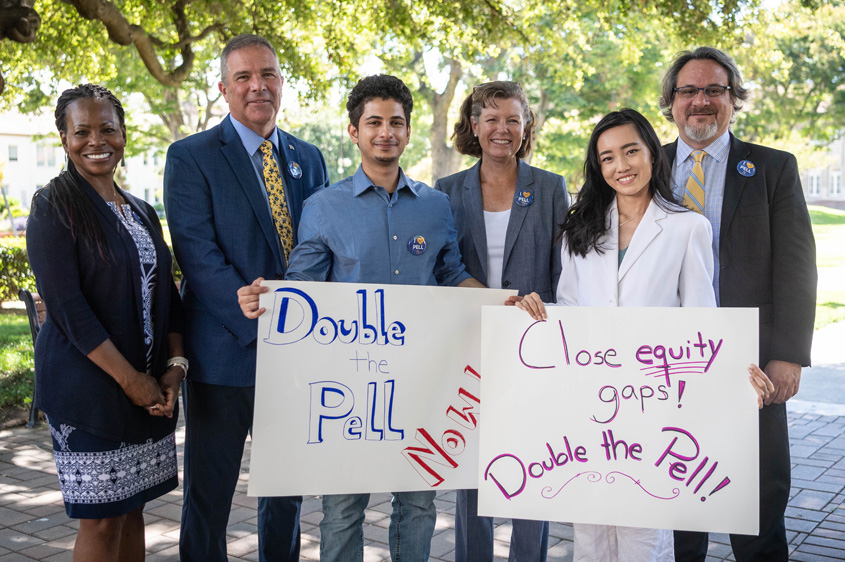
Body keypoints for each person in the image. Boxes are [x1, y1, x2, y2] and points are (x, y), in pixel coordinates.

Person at [237, 74, 484, 562]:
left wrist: (502, 303)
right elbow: (302, 286)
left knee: (417, 505)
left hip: (420, 382)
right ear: (354, 132)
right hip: (346, 391)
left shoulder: (436, 207)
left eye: (396, 122)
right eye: (374, 122)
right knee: (343, 510)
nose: (385, 132)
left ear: (409, 131)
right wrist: (266, 299)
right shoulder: (323, 207)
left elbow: (452, 272)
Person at [516, 108, 774, 562]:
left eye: (631, 151)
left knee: (644, 532)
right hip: (589, 402)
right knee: (591, 531)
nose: (621, 166)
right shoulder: (580, 232)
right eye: (608, 157)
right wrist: (535, 313)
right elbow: (572, 313)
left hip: (653, 405)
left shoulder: (686, 227)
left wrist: (736, 381)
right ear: (598, 167)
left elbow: (701, 321)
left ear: (652, 153)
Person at [163, 34, 330, 562]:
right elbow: (194, 247)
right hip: (225, 349)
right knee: (209, 493)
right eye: (243, 77)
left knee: (285, 491)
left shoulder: (309, 157)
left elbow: (322, 244)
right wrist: (246, 307)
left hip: (297, 353)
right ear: (223, 88)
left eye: (269, 74)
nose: (258, 85)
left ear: (281, 83)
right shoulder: (190, 157)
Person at [659, 46, 817, 562]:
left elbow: (796, 266)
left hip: (753, 363)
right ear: (672, 101)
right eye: (688, 91)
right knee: (679, 498)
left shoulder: (773, 168)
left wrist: (789, 354)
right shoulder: (646, 166)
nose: (700, 101)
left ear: (733, 100)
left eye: (714, 90)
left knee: (758, 499)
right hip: (665, 366)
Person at [26, 84, 185, 562]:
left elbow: (169, 297)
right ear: (63, 138)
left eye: (107, 129)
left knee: (132, 507)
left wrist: (173, 370)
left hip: (148, 389)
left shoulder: (141, 209)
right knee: (100, 517)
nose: (96, 141)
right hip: (89, 389)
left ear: (122, 134)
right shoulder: (52, 206)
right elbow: (68, 308)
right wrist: (130, 379)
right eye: (82, 131)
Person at [434, 81, 569, 562]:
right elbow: (440, 272)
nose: (502, 129)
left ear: (526, 126)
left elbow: (563, 273)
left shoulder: (550, 187)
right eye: (491, 118)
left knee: (535, 468)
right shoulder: (447, 191)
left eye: (513, 119)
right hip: (469, 349)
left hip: (534, 349)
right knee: (472, 474)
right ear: (474, 126)